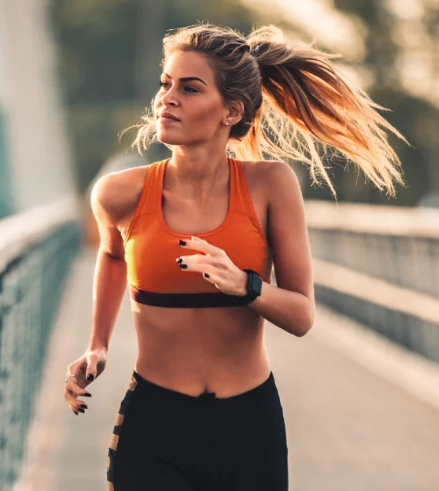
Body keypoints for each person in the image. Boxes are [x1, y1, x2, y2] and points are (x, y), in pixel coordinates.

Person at [63, 24, 405, 490]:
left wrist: (245, 284)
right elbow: (112, 253)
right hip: (153, 424)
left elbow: (302, 314)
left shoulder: (271, 186)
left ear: (231, 111)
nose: (168, 98)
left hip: (249, 428)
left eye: (189, 88)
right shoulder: (120, 193)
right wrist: (97, 344)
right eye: (165, 84)